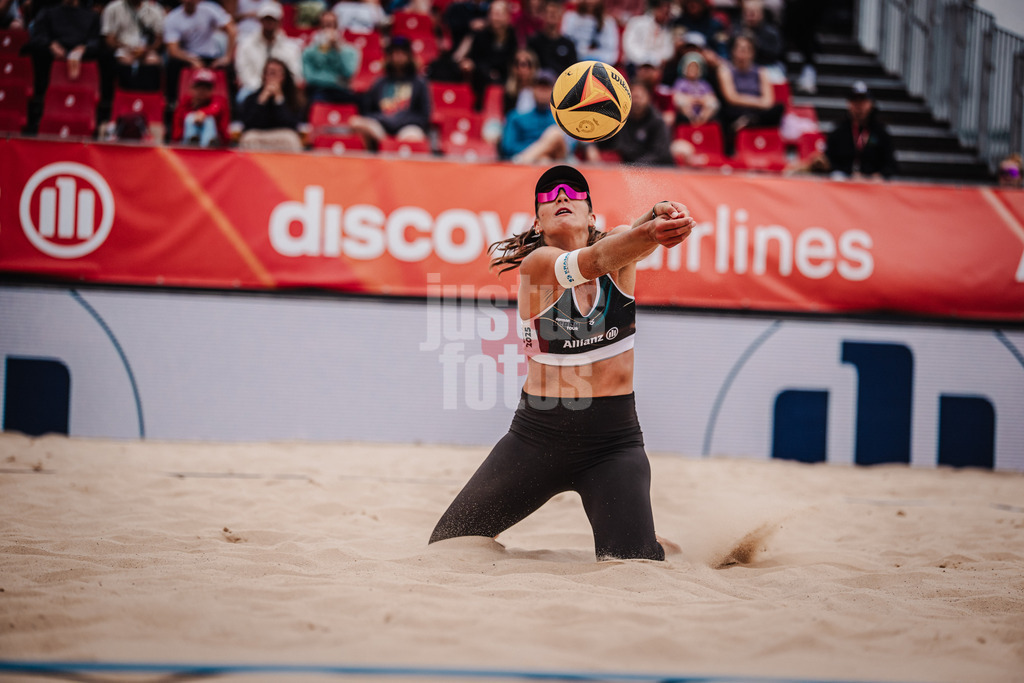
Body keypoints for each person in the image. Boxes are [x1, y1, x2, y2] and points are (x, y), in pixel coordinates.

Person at [428, 165, 696, 562]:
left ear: (592, 215)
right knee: (449, 543)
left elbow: (625, 242)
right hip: (537, 438)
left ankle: (647, 537)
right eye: (548, 195)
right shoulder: (537, 266)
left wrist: (661, 215)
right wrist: (650, 231)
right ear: (537, 222)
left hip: (613, 443)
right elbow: (595, 259)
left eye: (573, 191)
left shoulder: (623, 252)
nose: (560, 197)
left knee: (634, 563)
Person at [24, 0, 100, 133]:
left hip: (81, 58)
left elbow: (96, 41)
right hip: (52, 57)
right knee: (37, 50)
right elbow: (37, 36)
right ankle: (40, 109)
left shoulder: (91, 16)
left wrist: (83, 48)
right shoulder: (48, 13)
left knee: (102, 55)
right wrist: (50, 44)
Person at [348, 36, 431, 150]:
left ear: (409, 56)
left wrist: (399, 120)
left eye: (402, 53)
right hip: (381, 129)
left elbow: (424, 116)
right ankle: (376, 154)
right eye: (394, 53)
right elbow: (367, 111)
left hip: (407, 128)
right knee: (355, 122)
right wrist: (385, 120)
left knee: (414, 136)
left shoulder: (419, 83)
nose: (398, 57)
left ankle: (392, 151)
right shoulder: (380, 82)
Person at [716, 32, 782, 156]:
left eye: (746, 50)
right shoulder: (725, 70)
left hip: (756, 114)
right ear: (733, 51)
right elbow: (731, 98)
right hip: (735, 112)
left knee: (778, 108)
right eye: (739, 49)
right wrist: (757, 101)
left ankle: (749, 122)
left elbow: (769, 101)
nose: (742, 54)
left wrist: (747, 102)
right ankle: (745, 124)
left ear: (752, 53)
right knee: (720, 110)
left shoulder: (761, 71)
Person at [163, 0, 236, 106]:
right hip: (188, 56)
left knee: (229, 68)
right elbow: (173, 50)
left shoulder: (210, 9)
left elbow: (232, 30)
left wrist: (227, 57)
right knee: (173, 64)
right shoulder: (172, 18)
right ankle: (173, 103)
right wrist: (192, 60)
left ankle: (230, 108)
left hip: (211, 56)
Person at [585, 80, 674, 166]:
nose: (636, 102)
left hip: (655, 170)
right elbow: (605, 139)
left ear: (648, 98)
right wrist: (591, 146)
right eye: (634, 97)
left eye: (640, 97)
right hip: (626, 168)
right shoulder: (619, 119)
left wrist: (635, 166)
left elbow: (660, 154)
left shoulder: (657, 121)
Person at [823, 81, 897, 180]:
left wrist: (877, 176)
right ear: (848, 104)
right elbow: (829, 160)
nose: (858, 106)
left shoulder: (881, 132)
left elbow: (891, 164)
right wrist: (849, 174)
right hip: (845, 181)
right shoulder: (838, 131)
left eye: (862, 100)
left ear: (871, 104)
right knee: (836, 177)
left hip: (872, 183)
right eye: (854, 100)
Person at [453, 0, 518, 110]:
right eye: (492, 13)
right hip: (482, 78)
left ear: (507, 17)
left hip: (505, 77)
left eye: (499, 14)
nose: (495, 18)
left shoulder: (513, 37)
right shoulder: (481, 35)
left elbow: (511, 60)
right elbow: (475, 59)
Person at [234, 1, 303, 105]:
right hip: (254, 89)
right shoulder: (246, 45)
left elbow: (295, 73)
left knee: (297, 99)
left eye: (272, 19)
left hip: (283, 89)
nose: (269, 22)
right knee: (242, 97)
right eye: (266, 19)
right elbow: (244, 74)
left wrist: (277, 87)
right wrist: (263, 89)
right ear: (260, 21)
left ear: (279, 21)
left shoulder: (291, 47)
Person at [497, 67, 567, 163]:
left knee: (555, 133)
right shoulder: (516, 117)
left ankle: (524, 159)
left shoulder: (561, 119)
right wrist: (541, 152)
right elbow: (508, 147)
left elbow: (568, 148)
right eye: (539, 86)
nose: (542, 91)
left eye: (546, 87)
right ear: (532, 89)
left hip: (552, 160)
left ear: (553, 92)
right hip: (541, 162)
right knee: (544, 160)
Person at [238, 57, 304, 151]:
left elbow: (292, 126)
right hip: (259, 135)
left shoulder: (292, 98)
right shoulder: (252, 98)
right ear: (264, 76)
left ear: (284, 77)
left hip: (282, 136)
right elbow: (248, 125)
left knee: (291, 138)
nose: (274, 77)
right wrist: (261, 101)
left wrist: (279, 100)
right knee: (248, 138)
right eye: (271, 73)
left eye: (279, 73)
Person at [100, 0, 166, 91]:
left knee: (153, 60)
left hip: (147, 49)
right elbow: (109, 39)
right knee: (124, 59)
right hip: (122, 48)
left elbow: (160, 39)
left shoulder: (155, 9)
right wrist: (127, 48)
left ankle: (150, 98)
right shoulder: (112, 8)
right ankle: (126, 97)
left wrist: (148, 49)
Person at [302, 9, 361, 105]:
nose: (328, 30)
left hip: (342, 92)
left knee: (360, 102)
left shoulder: (351, 51)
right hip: (318, 91)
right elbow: (309, 78)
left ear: (338, 28)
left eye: (332, 25)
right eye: (324, 25)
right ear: (319, 28)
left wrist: (338, 50)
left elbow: (349, 73)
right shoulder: (309, 51)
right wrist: (335, 80)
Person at [171, 66, 230, 146]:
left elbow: (217, 109)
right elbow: (177, 130)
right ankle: (192, 142)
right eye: (199, 87)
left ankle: (207, 145)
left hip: (216, 145)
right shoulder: (185, 102)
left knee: (208, 120)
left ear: (212, 90)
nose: (202, 91)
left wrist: (202, 113)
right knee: (190, 118)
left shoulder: (219, 100)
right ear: (192, 88)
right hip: (185, 143)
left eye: (206, 88)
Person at [620, 0, 673, 78]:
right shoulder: (637, 22)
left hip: (655, 66)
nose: (665, 15)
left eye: (667, 12)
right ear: (656, 9)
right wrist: (643, 60)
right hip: (635, 64)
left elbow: (668, 51)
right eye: (663, 11)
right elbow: (629, 45)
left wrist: (654, 60)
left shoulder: (667, 29)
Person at [560, 0, 619, 67]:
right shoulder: (570, 17)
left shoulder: (608, 22)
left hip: (600, 66)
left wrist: (594, 60)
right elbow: (564, 43)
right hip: (573, 64)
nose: (590, 2)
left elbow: (612, 53)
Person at [526, 0, 577, 76]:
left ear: (561, 15)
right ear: (543, 15)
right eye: (549, 13)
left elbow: (573, 72)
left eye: (555, 13)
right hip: (539, 84)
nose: (552, 15)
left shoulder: (569, 44)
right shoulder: (533, 42)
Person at [670, 50, 719, 126]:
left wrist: (701, 100)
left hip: (702, 110)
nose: (693, 70)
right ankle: (692, 121)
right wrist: (693, 99)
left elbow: (711, 97)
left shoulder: (704, 84)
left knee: (713, 103)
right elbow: (675, 96)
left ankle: (701, 121)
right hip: (686, 112)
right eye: (690, 67)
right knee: (681, 102)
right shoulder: (680, 82)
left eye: (695, 67)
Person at [503, 48, 538, 114]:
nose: (521, 68)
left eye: (527, 64)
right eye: (517, 63)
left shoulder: (543, 88)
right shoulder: (507, 92)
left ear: (534, 66)